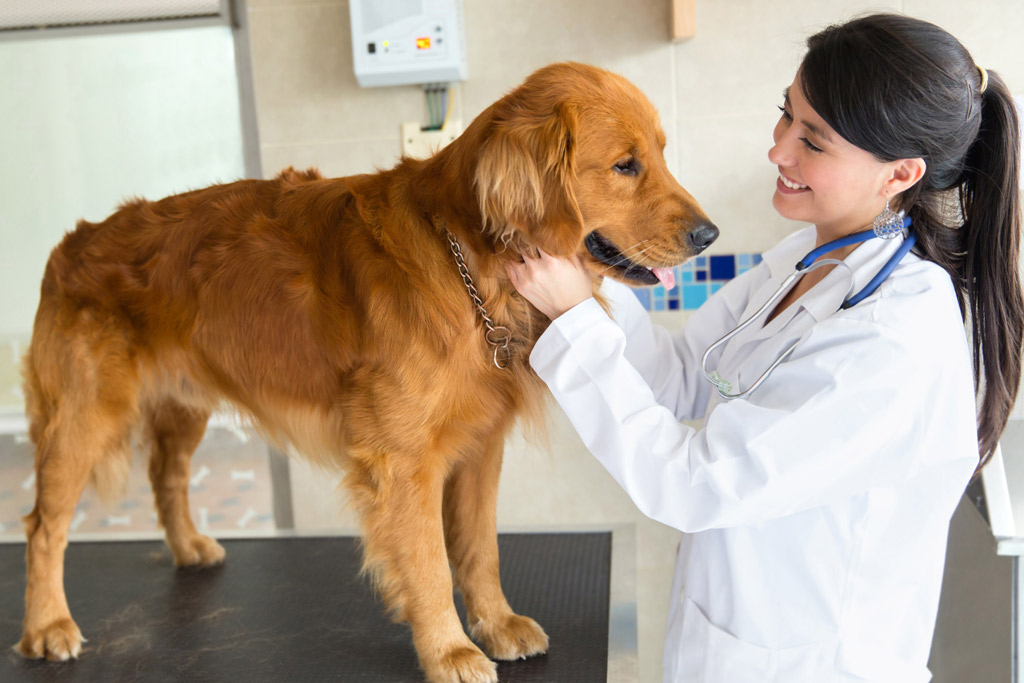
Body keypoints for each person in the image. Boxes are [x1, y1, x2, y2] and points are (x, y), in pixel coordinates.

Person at [507, 13, 1022, 683]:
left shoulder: (895, 340)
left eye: (813, 140)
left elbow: (690, 483)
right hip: (725, 644)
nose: (778, 151)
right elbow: (685, 377)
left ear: (900, 173)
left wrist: (574, 317)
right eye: (787, 115)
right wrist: (589, 275)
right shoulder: (809, 257)